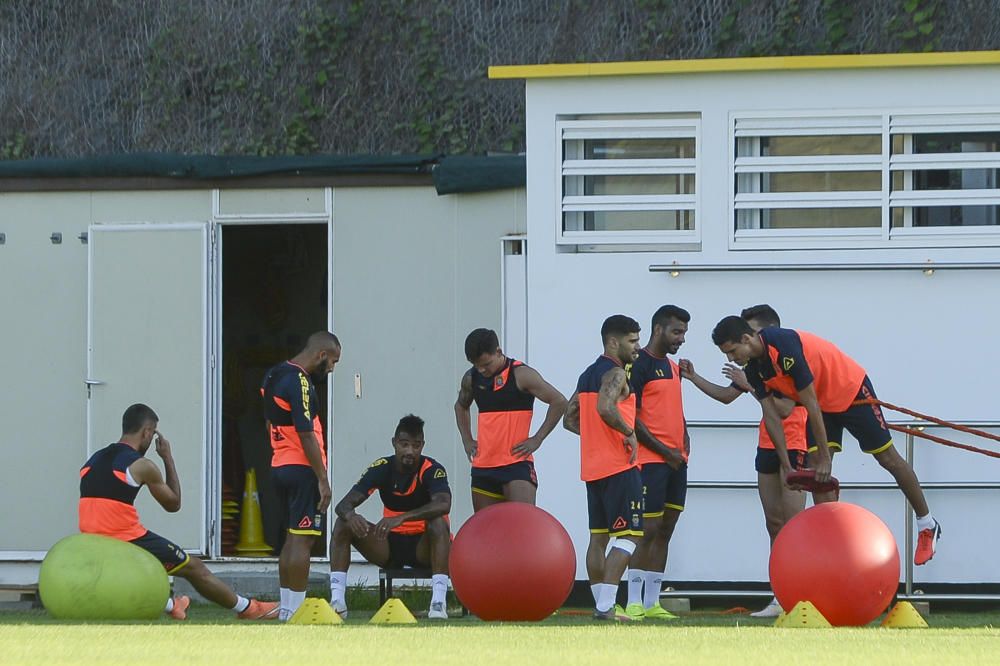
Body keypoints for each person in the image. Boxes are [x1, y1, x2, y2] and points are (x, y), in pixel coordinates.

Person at [711, 315, 942, 566]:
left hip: (849, 390)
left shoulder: (784, 346)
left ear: (746, 339)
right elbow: (773, 415)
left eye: (732, 351)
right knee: (816, 475)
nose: (731, 359)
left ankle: (927, 523)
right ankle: (834, 550)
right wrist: (787, 466)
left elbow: (809, 401)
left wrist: (824, 457)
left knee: (887, 458)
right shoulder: (755, 370)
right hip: (823, 406)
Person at [79, 404, 278, 620]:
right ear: (147, 432)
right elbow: (173, 504)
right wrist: (167, 458)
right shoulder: (141, 465)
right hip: (125, 538)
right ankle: (249, 609)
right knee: (194, 568)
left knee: (127, 574)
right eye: (153, 432)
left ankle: (172, 605)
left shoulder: (93, 460)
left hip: (91, 539)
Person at [680, 304, 810, 618]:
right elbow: (726, 396)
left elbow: (784, 407)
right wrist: (693, 377)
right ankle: (779, 596)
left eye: (747, 336)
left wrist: (749, 383)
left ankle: (800, 594)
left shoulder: (785, 359)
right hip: (766, 442)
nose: (741, 350)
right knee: (773, 523)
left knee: (794, 524)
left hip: (794, 442)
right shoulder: (753, 367)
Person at [329, 414, 452, 619]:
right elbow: (342, 505)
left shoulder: (432, 469)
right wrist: (351, 516)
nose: (410, 451)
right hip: (388, 543)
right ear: (394, 443)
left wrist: (402, 518)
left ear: (423, 445)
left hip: (424, 545)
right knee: (342, 524)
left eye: (416, 445)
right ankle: (337, 601)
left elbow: (444, 504)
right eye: (404, 444)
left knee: (438, 523)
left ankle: (438, 603)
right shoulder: (382, 468)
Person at [563, 315, 644, 622]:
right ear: (613, 342)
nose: (637, 347)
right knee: (630, 535)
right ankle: (605, 608)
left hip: (593, 468)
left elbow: (570, 419)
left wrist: (598, 436)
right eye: (632, 341)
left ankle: (601, 604)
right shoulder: (615, 374)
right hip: (619, 467)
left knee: (598, 538)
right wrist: (628, 432)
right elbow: (606, 408)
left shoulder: (587, 374)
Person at [260, 331, 341, 620]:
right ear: (321, 355)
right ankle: (295, 611)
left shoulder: (272, 375)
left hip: (279, 464)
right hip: (302, 468)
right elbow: (306, 432)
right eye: (331, 362)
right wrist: (322, 478)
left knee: (290, 538)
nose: (331, 369)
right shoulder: (300, 381)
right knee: (303, 540)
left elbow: (269, 420)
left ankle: (286, 608)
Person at [623, 305, 689, 621]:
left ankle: (652, 602)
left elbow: (672, 410)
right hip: (651, 461)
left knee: (665, 529)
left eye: (684, 333)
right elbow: (632, 418)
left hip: (677, 461)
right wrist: (665, 450)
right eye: (677, 332)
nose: (681, 339)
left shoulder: (674, 368)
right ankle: (633, 600)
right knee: (646, 530)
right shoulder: (640, 365)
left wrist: (683, 443)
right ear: (659, 329)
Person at [454, 328, 568, 511]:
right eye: (476, 365)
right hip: (484, 465)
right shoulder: (471, 378)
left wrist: (537, 439)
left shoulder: (521, 374)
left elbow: (559, 401)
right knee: (487, 530)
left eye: (486, 364)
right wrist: (467, 439)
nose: (482, 370)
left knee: (522, 525)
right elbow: (460, 406)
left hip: (516, 463)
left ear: (498, 352)